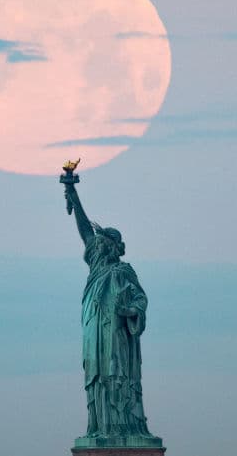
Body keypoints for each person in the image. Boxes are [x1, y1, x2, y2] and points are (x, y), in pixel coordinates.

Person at [65, 181, 154, 440]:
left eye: (103, 242)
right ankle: (100, 427)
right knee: (97, 378)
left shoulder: (124, 272)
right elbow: (84, 231)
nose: (98, 245)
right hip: (95, 334)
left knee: (116, 377)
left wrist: (128, 310)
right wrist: (73, 193)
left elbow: (141, 300)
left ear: (114, 246)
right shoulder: (97, 267)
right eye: (98, 243)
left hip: (116, 338)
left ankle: (123, 427)